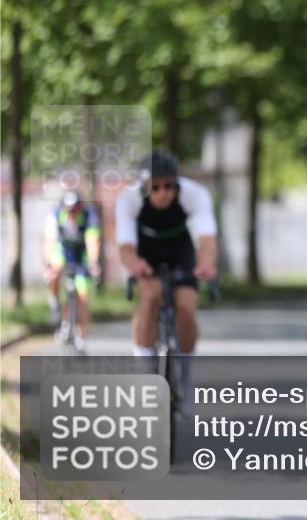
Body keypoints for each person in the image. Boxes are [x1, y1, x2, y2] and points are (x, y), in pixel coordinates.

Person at [115, 151, 218, 410]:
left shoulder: (195, 195)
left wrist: (205, 263)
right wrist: (135, 264)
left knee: (186, 307)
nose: (163, 193)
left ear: (177, 183)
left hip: (180, 250)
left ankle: (184, 379)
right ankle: (144, 376)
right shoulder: (128, 200)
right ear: (145, 186)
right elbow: (126, 245)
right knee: (149, 297)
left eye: (169, 186)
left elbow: (206, 239)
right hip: (146, 252)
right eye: (156, 187)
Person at [42, 189, 102, 350]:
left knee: (83, 297)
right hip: (62, 252)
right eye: (69, 210)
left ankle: (82, 335)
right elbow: (50, 242)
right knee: (54, 272)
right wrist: (48, 265)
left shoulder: (90, 216)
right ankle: (54, 302)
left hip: (82, 257)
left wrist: (94, 262)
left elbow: (92, 241)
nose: (73, 213)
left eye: (75, 209)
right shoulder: (55, 216)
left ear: (81, 208)